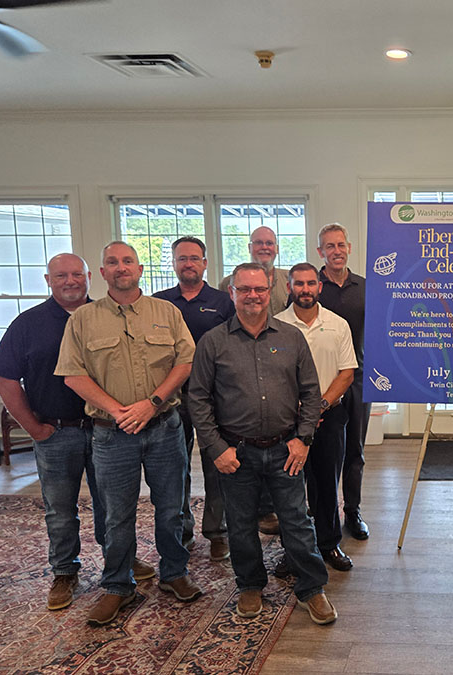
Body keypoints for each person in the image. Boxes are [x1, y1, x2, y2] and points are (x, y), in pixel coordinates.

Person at [55, 241, 201, 627]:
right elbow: (73, 374)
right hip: (110, 433)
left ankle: (174, 573)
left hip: (164, 427)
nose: (121, 267)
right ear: (101, 273)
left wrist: (151, 403)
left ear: (139, 269)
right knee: (117, 515)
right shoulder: (83, 320)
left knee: (172, 507)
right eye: (112, 262)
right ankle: (118, 586)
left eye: (128, 261)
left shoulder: (165, 312)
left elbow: (186, 360)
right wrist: (119, 410)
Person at [188, 262, 337, 624]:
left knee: (297, 523)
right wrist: (215, 448)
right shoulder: (213, 342)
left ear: (270, 292)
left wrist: (303, 440)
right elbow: (198, 399)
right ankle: (250, 585)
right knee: (239, 525)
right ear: (232, 293)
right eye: (245, 289)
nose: (252, 296)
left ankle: (312, 589)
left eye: (259, 289)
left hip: (287, 450)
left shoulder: (291, 337)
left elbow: (311, 393)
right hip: (235, 454)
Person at [0, 253, 114, 611]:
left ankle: (118, 563)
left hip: (107, 431)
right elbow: (6, 379)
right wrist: (31, 427)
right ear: (48, 280)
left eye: (77, 274)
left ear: (91, 277)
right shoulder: (28, 324)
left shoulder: (108, 317)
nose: (70, 280)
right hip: (57, 433)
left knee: (113, 506)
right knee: (60, 509)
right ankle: (64, 571)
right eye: (62, 275)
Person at [153, 236, 234, 560]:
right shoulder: (159, 303)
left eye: (194, 258)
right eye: (182, 258)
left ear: (205, 263)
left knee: (217, 463)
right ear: (174, 264)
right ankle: (181, 531)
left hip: (215, 396)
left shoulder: (223, 301)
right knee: (175, 466)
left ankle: (216, 532)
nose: (188, 263)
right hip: (171, 396)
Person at [276, 262, 358, 570]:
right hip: (288, 421)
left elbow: (347, 373)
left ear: (319, 287)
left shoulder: (338, 325)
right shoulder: (277, 325)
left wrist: (318, 407)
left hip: (329, 417)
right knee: (289, 488)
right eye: (299, 284)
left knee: (325, 484)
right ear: (289, 287)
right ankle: (292, 550)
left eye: (311, 283)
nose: (305, 289)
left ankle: (329, 544)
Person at [219, 225, 289, 534]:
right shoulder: (227, 281)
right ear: (250, 247)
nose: (264, 247)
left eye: (269, 243)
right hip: (243, 365)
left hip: (281, 364)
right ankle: (256, 512)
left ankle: (277, 508)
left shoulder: (288, 279)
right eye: (258, 242)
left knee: (278, 447)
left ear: (277, 248)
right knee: (248, 447)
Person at [317, 223, 370, 540]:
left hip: (360, 379)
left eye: (341, 245)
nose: (336, 251)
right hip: (323, 383)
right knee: (322, 455)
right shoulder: (312, 287)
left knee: (355, 450)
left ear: (349, 248)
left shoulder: (365, 287)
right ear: (320, 252)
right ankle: (323, 514)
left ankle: (353, 511)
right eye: (329, 246)